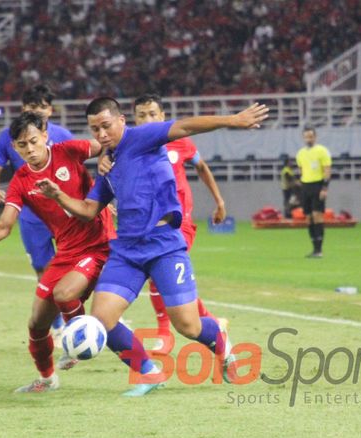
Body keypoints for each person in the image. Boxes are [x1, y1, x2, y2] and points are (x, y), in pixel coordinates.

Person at [36, 97, 269, 395]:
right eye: (95, 129)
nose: (101, 134)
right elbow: (90, 209)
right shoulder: (109, 166)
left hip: (164, 246)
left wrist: (233, 120)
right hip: (127, 251)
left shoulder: (142, 137)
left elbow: (185, 126)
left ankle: (222, 344)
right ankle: (149, 373)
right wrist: (58, 196)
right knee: (102, 321)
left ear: (122, 121)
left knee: (188, 326)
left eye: (106, 126)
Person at [0, 112, 114, 393]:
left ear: (45, 135)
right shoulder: (20, 181)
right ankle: (46, 379)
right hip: (66, 251)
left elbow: (107, 143)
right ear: (15, 147)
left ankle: (76, 341)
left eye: (33, 141)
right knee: (36, 324)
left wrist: (107, 159)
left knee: (65, 294)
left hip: (97, 243)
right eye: (22, 145)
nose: (29, 150)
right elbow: (4, 226)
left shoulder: (69, 150)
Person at [124, 93, 229, 352]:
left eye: (152, 114)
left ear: (162, 117)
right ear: (133, 120)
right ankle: (213, 322)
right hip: (148, 224)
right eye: (142, 115)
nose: (148, 120)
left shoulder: (179, 142)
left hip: (179, 223)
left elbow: (201, 166)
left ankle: (164, 334)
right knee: (170, 279)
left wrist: (220, 202)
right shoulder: (129, 145)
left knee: (158, 271)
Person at [0, 84, 73, 337]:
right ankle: (55, 323)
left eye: (43, 107)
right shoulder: (8, 136)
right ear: (23, 109)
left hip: (64, 211)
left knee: (72, 268)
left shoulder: (63, 135)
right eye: (33, 106)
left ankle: (74, 320)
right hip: (32, 214)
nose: (39, 111)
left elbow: (81, 168)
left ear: (51, 110)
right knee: (43, 269)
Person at [296, 127, 332, 258]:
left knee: (317, 215)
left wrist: (324, 188)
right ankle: (314, 248)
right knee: (308, 218)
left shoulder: (322, 151)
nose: (308, 139)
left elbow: (327, 170)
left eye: (310, 136)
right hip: (306, 186)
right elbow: (301, 171)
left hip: (317, 185)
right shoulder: (300, 154)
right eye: (306, 137)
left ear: (315, 137)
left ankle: (319, 249)